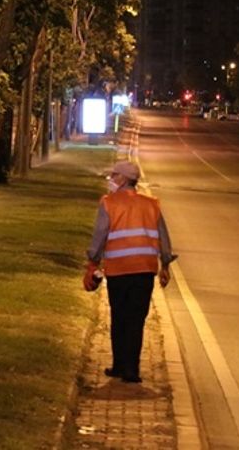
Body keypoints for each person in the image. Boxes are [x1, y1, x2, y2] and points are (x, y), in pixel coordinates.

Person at [84, 160, 176, 383]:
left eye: (114, 175)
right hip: (144, 270)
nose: (111, 179)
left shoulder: (109, 203)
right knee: (136, 319)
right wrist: (165, 265)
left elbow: (100, 235)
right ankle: (131, 369)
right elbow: (164, 237)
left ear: (123, 179)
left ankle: (118, 365)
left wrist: (92, 263)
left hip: (118, 270)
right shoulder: (152, 204)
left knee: (120, 317)